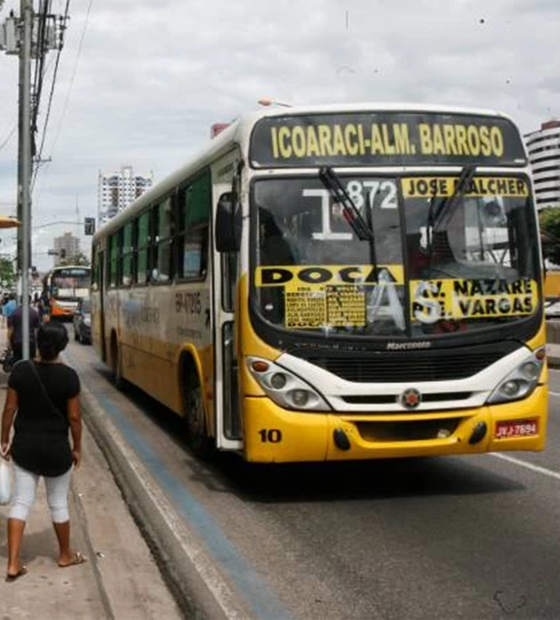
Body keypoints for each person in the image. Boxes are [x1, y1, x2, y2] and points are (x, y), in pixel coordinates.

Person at [0, 322, 85, 582]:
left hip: (24, 448)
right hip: (57, 451)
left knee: (21, 503)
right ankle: (65, 555)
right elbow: (74, 417)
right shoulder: (69, 377)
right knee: (58, 504)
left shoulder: (21, 370)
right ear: (62, 347)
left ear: (37, 341)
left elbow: (9, 409)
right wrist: (77, 448)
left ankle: (13, 563)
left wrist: (4, 439)